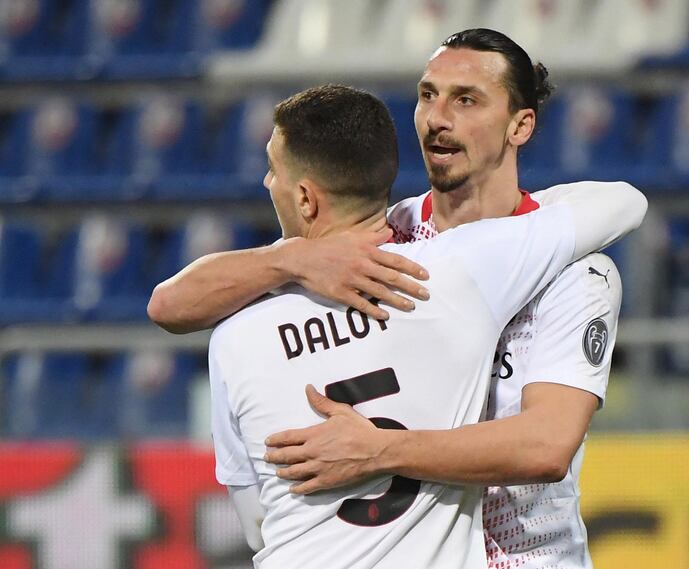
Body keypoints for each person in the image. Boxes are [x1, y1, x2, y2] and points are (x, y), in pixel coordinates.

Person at [149, 29, 639, 569]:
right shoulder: (382, 237)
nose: (437, 118)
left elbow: (546, 447)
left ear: (520, 125)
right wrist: (289, 258)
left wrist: (378, 451)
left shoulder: (575, 271)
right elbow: (172, 306)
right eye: (428, 95)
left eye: (466, 99)